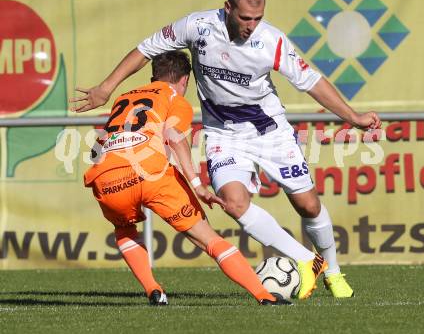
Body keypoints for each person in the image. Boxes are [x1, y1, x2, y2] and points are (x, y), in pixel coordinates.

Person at [71, 0, 382, 299]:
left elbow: (311, 80)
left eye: (258, 18)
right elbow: (145, 49)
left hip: (269, 130)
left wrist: (352, 117)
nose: (251, 26)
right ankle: (306, 260)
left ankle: (332, 271)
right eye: (246, 18)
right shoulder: (197, 26)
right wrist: (106, 87)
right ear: (228, 8)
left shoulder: (271, 40)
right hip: (222, 134)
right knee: (234, 203)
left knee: (308, 204)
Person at [82, 50, 291, 306]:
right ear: (185, 81)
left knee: (124, 229)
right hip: (152, 175)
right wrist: (197, 184)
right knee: (208, 239)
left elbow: (98, 147)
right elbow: (175, 137)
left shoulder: (124, 98)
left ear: (152, 77)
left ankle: (153, 290)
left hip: (105, 175)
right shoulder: (174, 98)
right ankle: (264, 296)